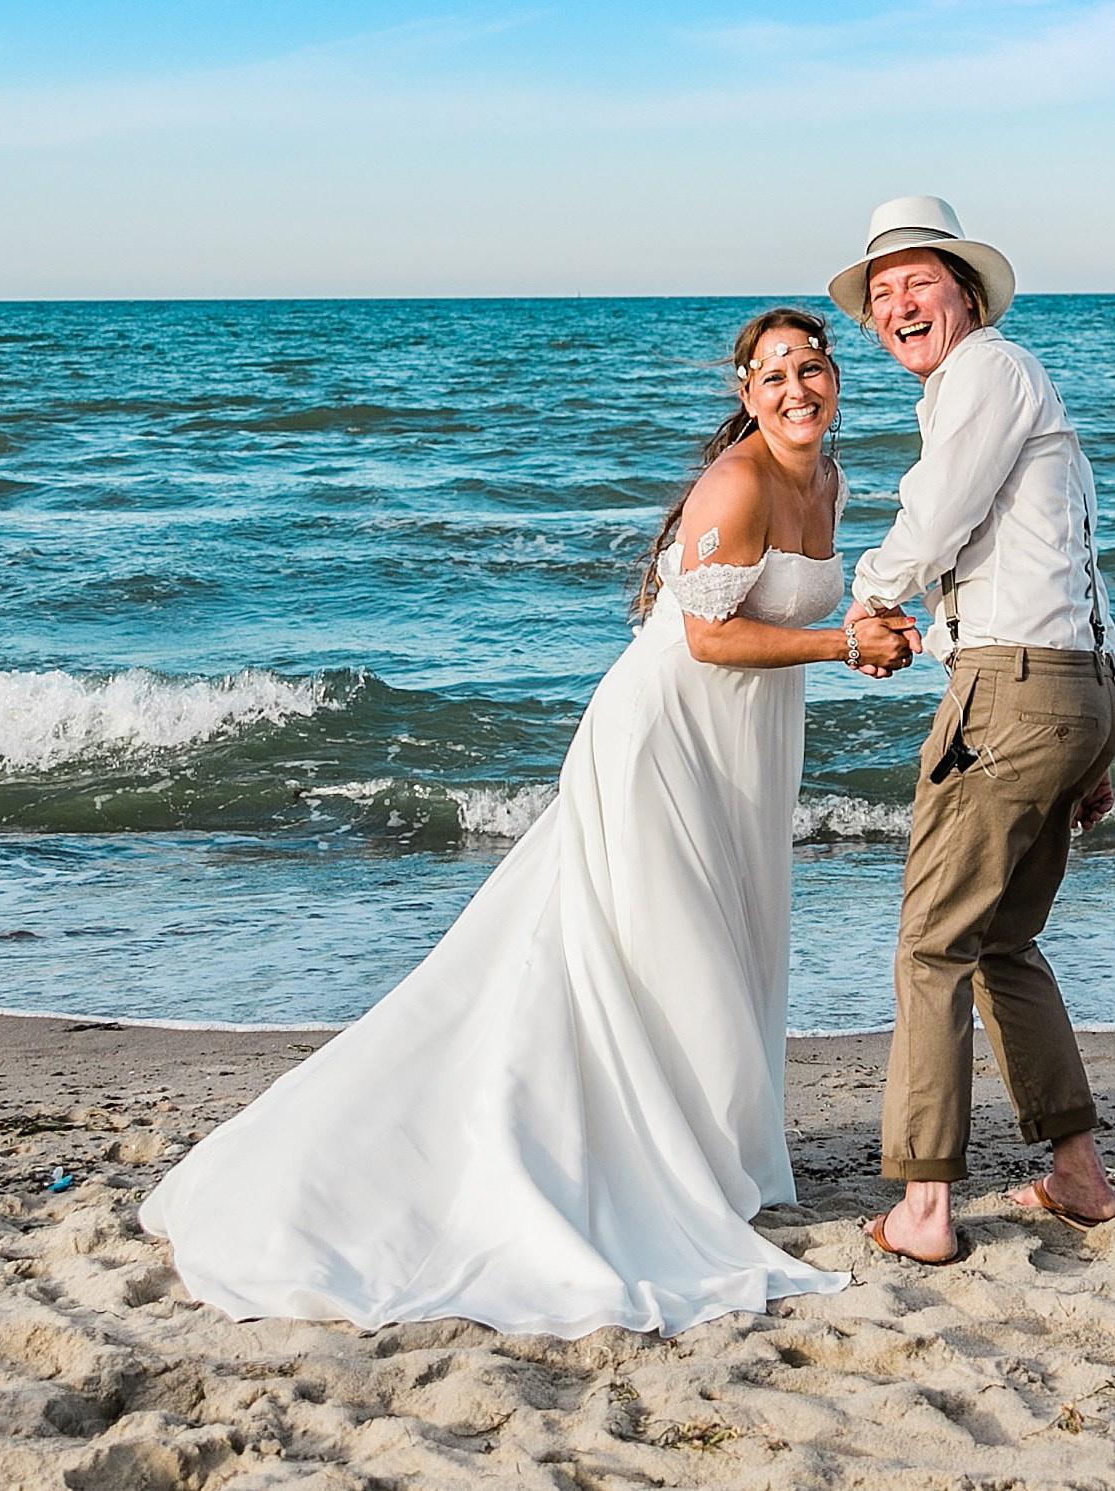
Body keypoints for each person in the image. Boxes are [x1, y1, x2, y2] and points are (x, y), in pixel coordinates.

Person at [140, 308, 917, 1338]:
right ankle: (635, 1158)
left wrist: (876, 630)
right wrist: (839, 647)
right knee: (649, 941)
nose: (793, 389)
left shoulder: (828, 480)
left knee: (727, 931)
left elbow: (783, 621)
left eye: (808, 368)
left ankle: (705, 1147)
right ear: (744, 395)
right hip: (666, 733)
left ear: (833, 378)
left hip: (749, 738)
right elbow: (705, 641)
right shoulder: (734, 484)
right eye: (770, 375)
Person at [828, 197, 1115, 1265]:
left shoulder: (984, 374)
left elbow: (937, 512)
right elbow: (1075, 564)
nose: (899, 303)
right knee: (1003, 939)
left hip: (1012, 690)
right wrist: (1099, 738)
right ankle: (1078, 1177)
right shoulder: (1005, 382)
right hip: (1071, 684)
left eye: (920, 282)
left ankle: (920, 1206)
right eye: (882, 293)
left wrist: (866, 596)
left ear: (964, 293)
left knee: (933, 943)